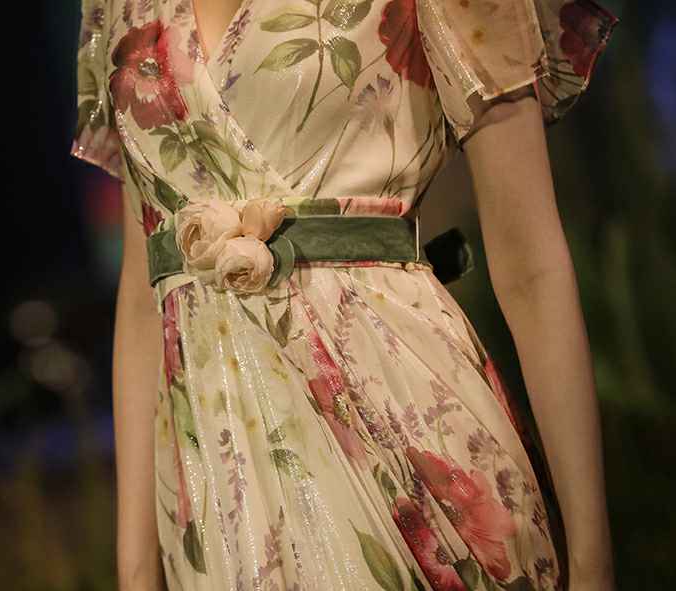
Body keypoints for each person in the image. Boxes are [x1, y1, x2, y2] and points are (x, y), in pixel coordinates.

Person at [71, 0, 618, 589]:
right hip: (218, 485)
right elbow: (145, 288)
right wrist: (136, 570)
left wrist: (593, 563)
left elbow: (530, 266)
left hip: (404, 434)